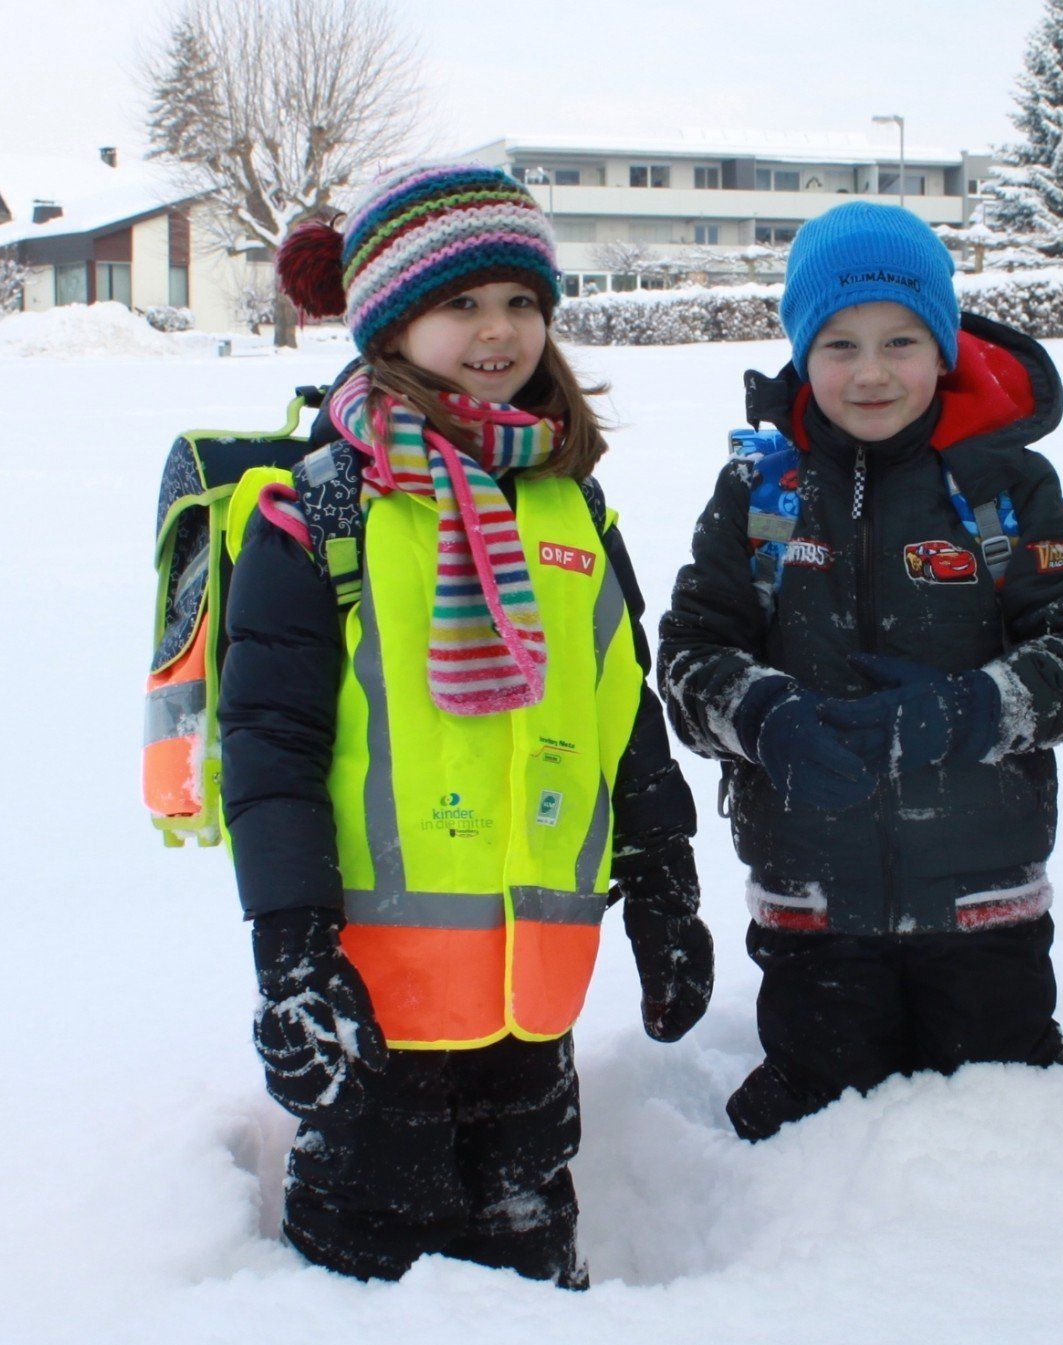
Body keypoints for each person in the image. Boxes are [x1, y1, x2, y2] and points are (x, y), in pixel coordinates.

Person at [220, 163, 713, 1286]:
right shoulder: (320, 512)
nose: (498, 332)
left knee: (533, 1258)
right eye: (461, 304)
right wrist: (290, 953)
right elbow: (271, 756)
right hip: (370, 1014)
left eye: (522, 303)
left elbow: (618, 715)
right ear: (392, 319)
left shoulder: (569, 502)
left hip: (532, 1007)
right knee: (361, 1277)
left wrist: (664, 884)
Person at [659, 201, 1063, 1141]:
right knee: (814, 1128)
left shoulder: (1003, 487)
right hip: (811, 911)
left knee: (1006, 1130)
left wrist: (968, 712)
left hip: (982, 910)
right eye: (838, 344)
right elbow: (689, 658)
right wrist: (762, 716)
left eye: (900, 341)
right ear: (801, 352)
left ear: (943, 347)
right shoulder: (762, 491)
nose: (870, 372)